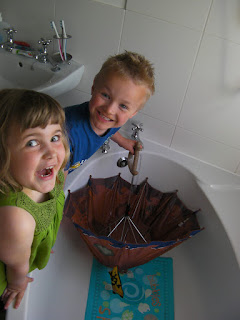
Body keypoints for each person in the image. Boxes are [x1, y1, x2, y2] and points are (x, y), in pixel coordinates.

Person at [0, 89, 70, 311]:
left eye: (55, 137)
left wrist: (39, 241)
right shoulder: (17, 217)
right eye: (32, 142)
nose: (51, 152)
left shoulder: (50, 173)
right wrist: (17, 282)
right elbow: (16, 263)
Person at [64, 51, 155, 173]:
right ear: (94, 87)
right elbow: (56, 183)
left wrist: (123, 141)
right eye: (106, 95)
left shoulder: (109, 120)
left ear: (133, 113)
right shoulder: (66, 135)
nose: (109, 110)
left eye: (123, 106)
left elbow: (110, 130)